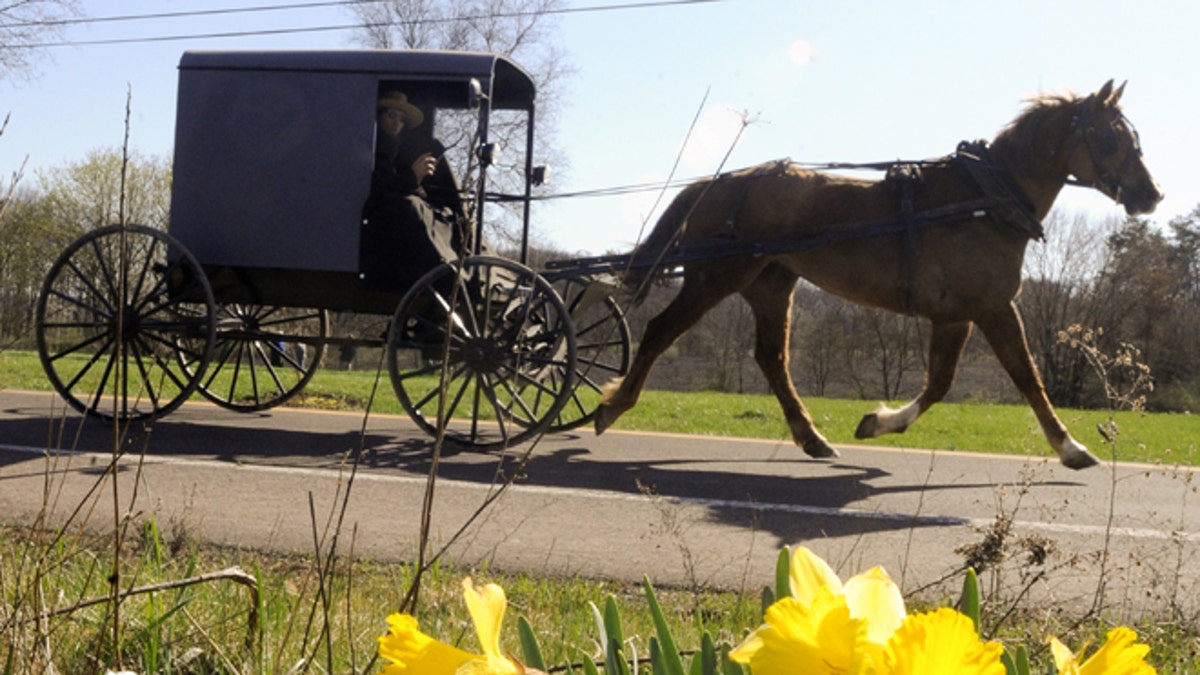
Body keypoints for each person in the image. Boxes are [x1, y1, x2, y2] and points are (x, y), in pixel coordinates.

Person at [359, 90, 466, 291]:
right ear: (378, 116)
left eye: (402, 119)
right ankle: (442, 277)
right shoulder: (367, 147)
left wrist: (417, 183)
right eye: (391, 115)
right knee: (412, 207)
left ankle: (459, 268)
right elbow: (376, 186)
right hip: (371, 226)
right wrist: (412, 177)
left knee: (443, 214)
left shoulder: (392, 149)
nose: (396, 123)